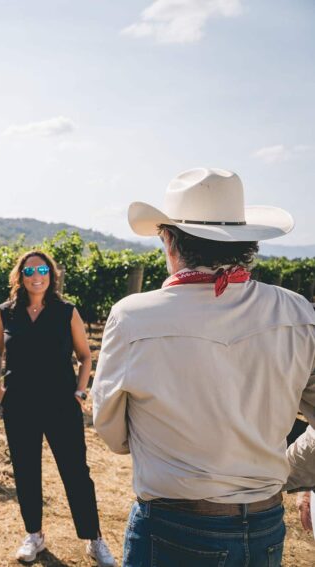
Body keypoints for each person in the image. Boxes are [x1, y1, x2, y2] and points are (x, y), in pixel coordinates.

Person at [92, 167, 315, 566]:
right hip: (265, 523)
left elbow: (112, 432)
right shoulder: (298, 312)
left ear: (170, 240)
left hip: (174, 526)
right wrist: (281, 467)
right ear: (247, 242)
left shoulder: (133, 318)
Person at [0, 250, 117, 566]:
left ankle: (93, 538)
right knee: (26, 469)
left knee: (76, 472)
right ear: (20, 275)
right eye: (30, 270)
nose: (36, 275)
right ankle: (34, 534)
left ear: (51, 274)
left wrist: (80, 391)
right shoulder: (7, 312)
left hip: (61, 402)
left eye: (42, 269)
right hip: (18, 403)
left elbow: (86, 356)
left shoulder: (66, 311)